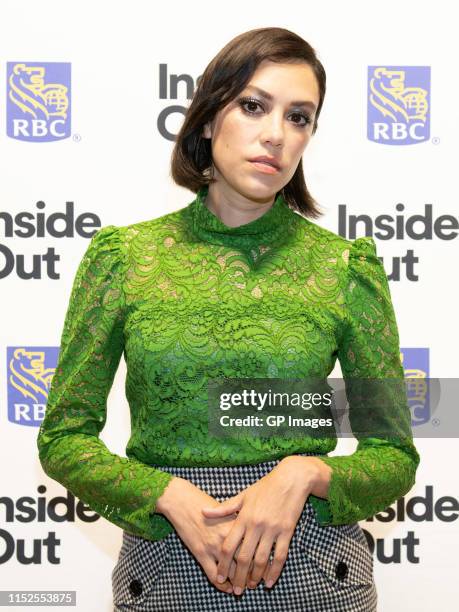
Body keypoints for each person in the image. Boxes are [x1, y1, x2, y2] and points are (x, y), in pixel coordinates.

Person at [36, 26, 420, 611]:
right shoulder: (125, 258)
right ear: (209, 118)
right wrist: (164, 494)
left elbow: (394, 455)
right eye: (253, 106)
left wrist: (306, 474)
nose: (275, 135)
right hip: (168, 565)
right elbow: (63, 438)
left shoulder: (344, 267)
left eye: (299, 117)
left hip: (314, 572)